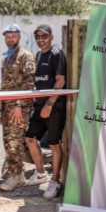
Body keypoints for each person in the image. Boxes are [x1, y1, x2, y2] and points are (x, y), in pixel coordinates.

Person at [25, 24, 67, 199]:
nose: (40, 39)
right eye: (37, 37)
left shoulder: (56, 54)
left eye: (44, 36)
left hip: (53, 107)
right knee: (30, 138)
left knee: (54, 144)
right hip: (39, 106)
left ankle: (55, 181)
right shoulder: (38, 55)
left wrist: (49, 104)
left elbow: (60, 81)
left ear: (51, 37)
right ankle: (41, 173)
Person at [0, 24, 36, 192]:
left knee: (15, 143)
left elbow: (29, 82)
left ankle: (18, 177)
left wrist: (19, 104)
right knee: (8, 142)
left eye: (13, 35)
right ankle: (14, 172)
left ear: (19, 37)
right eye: (8, 36)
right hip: (7, 108)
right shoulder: (6, 58)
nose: (10, 38)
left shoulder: (26, 56)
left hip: (18, 109)